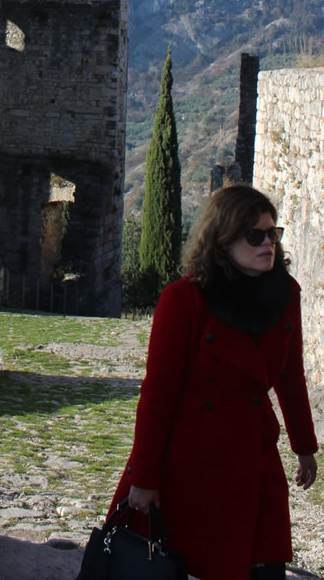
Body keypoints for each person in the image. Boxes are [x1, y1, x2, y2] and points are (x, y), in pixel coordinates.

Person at [110, 184, 318, 580]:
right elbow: (157, 396)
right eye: (253, 235)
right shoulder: (184, 300)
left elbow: (290, 375)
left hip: (256, 457)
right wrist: (145, 478)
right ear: (223, 240)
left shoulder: (284, 295)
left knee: (263, 563)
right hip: (190, 466)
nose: (267, 243)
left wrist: (304, 447)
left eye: (272, 233)